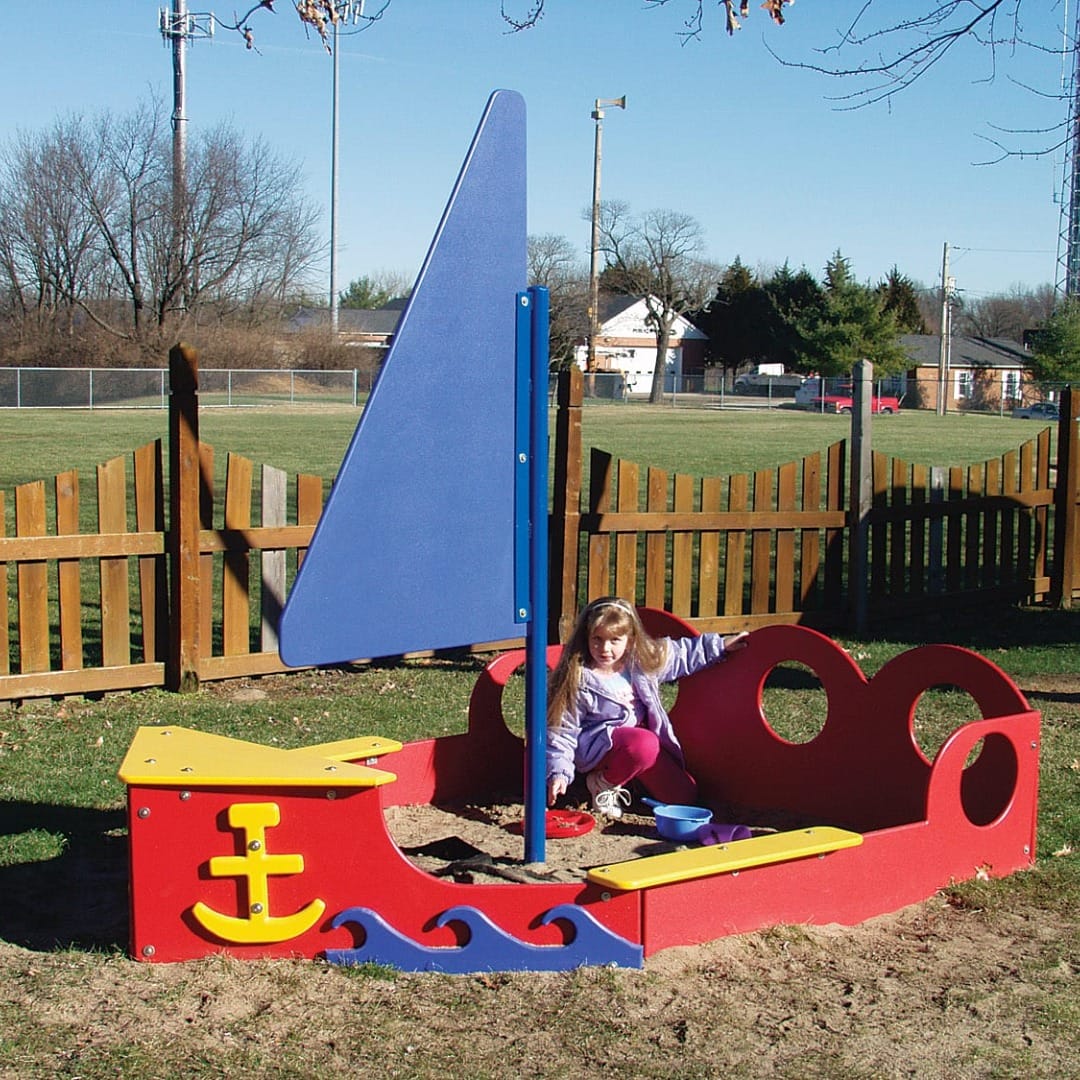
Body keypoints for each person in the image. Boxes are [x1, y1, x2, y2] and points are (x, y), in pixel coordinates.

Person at [546, 596, 749, 820]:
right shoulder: (579, 676)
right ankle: (602, 784)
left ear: (630, 640)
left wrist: (720, 646)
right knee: (644, 744)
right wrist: (559, 772)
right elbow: (561, 729)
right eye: (597, 639)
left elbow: (680, 654)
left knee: (684, 796)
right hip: (598, 748)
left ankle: (627, 779)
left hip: (635, 745)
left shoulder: (640, 662)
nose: (605, 648)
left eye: (615, 640)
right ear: (586, 638)